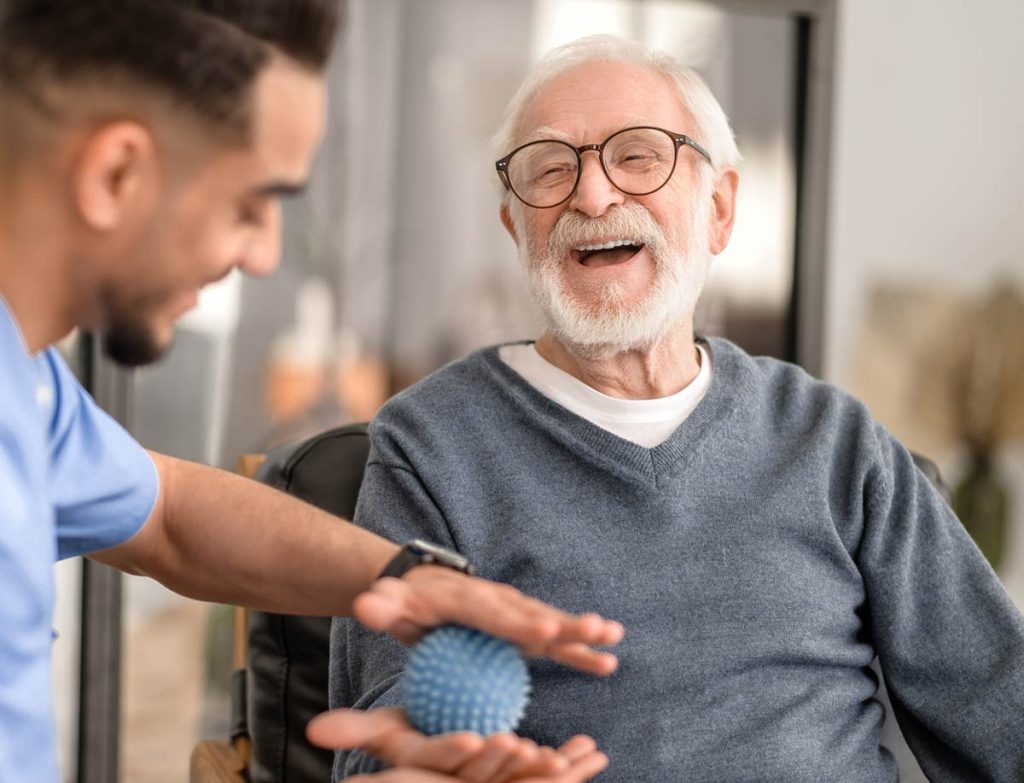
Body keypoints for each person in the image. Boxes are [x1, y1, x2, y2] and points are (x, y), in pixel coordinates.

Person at [329, 34, 1024, 782]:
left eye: (636, 156)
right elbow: (383, 737)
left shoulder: (836, 442)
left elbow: (999, 705)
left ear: (719, 207)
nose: (591, 196)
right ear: (514, 228)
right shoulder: (431, 445)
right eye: (551, 169)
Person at [0, 3, 625, 781]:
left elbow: (167, 514)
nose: (264, 255)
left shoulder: (27, 387)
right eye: (250, 204)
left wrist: (409, 579)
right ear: (116, 174)